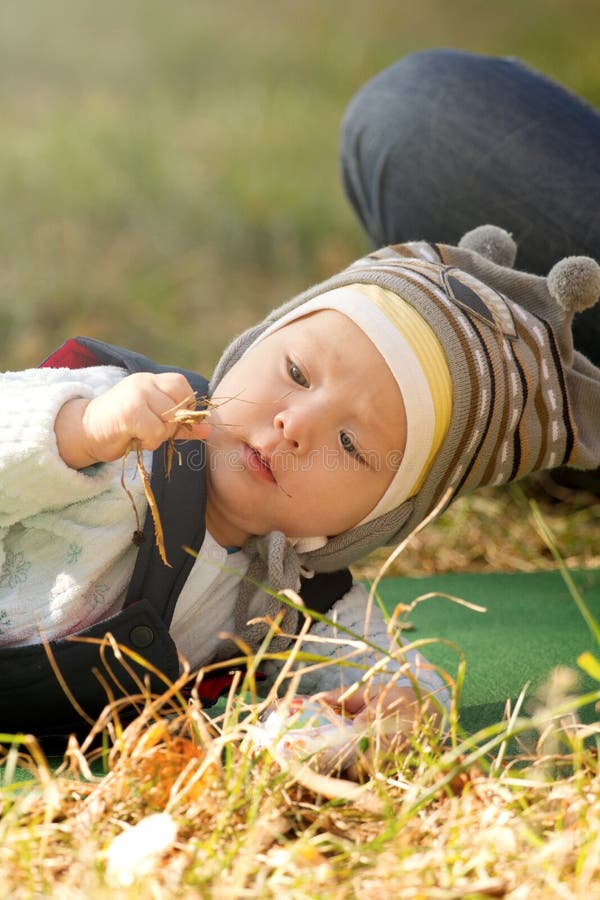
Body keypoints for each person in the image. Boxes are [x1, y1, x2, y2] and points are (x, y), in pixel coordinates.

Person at [1, 51, 599, 743]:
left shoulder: (292, 594)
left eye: (350, 443)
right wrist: (79, 430)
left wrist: (402, 708)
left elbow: (390, 668)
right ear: (249, 345)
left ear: (375, 520)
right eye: (295, 372)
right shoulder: (122, 426)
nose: (295, 425)